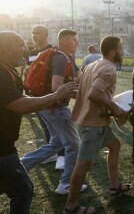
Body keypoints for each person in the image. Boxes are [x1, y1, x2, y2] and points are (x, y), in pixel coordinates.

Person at [0, 31, 78, 214]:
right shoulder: (2, 73)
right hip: (2, 148)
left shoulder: (7, 70)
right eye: (20, 44)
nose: (25, 48)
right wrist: (55, 96)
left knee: (56, 143)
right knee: (23, 189)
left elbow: (19, 97)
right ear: (6, 49)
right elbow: (19, 105)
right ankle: (66, 183)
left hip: (5, 145)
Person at [63, 36, 129, 214]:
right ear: (113, 51)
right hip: (93, 124)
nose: (122, 52)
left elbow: (80, 89)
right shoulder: (108, 69)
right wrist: (114, 107)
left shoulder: (92, 65)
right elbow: (93, 94)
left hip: (88, 120)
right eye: (121, 48)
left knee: (115, 146)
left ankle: (114, 185)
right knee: (82, 165)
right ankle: (71, 206)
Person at [21, 29, 88, 194]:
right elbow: (57, 88)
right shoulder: (61, 59)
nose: (77, 42)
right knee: (74, 145)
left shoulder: (64, 56)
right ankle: (67, 183)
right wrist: (82, 96)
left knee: (56, 143)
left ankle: (20, 165)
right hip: (56, 108)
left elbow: (80, 76)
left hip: (47, 108)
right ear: (64, 41)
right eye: (74, 40)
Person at [29, 25, 67, 170]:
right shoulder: (31, 54)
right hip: (35, 97)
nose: (33, 35)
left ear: (45, 34)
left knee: (58, 129)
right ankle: (53, 154)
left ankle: (62, 156)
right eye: (32, 32)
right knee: (46, 128)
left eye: (37, 32)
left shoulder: (53, 53)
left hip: (50, 97)